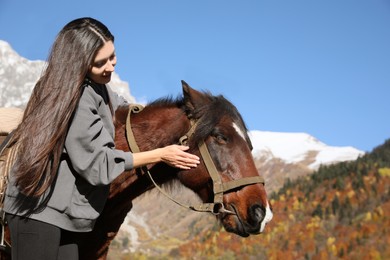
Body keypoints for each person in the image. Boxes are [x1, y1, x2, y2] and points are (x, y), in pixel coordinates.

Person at [3, 17, 200, 260]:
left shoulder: (99, 88)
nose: (111, 66)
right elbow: (98, 165)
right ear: (80, 65)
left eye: (112, 55)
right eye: (101, 62)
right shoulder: (76, 98)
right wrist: (161, 154)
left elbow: (121, 106)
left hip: (64, 214)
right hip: (38, 212)